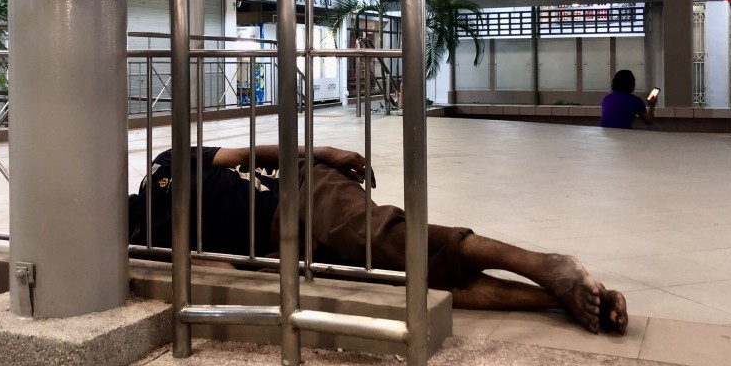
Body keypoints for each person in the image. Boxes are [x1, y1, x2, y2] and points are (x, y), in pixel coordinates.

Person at [129, 144, 628, 335]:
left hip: (300, 193)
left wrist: (322, 152)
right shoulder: (139, 242)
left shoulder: (164, 163)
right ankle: (557, 299)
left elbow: (251, 151)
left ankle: (545, 263)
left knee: (386, 239)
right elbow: (216, 269)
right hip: (287, 249)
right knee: (408, 280)